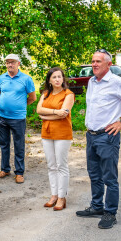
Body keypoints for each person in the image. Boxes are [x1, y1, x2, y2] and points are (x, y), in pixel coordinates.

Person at [75, 49, 121, 229]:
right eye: (93, 61)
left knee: (109, 177)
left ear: (109, 64)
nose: (94, 64)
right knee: (94, 174)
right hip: (91, 135)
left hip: (107, 137)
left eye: (99, 61)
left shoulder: (117, 82)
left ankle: (110, 213)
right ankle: (97, 207)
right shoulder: (92, 81)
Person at [36, 67, 75, 211]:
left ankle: (61, 197)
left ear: (63, 79)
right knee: (51, 165)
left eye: (60, 77)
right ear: (49, 80)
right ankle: (53, 195)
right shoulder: (45, 94)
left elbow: (64, 114)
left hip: (62, 133)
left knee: (61, 166)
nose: (58, 79)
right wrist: (54, 112)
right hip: (47, 133)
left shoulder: (68, 94)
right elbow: (38, 110)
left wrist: (46, 117)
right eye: (54, 77)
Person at [0, 54, 37, 183]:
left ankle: (19, 172)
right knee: (4, 144)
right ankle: (5, 169)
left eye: (12, 62)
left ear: (18, 63)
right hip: (1, 116)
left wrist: (20, 106)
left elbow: (32, 98)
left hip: (18, 118)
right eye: (7, 62)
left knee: (19, 145)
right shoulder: (1, 78)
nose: (9, 65)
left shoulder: (26, 79)